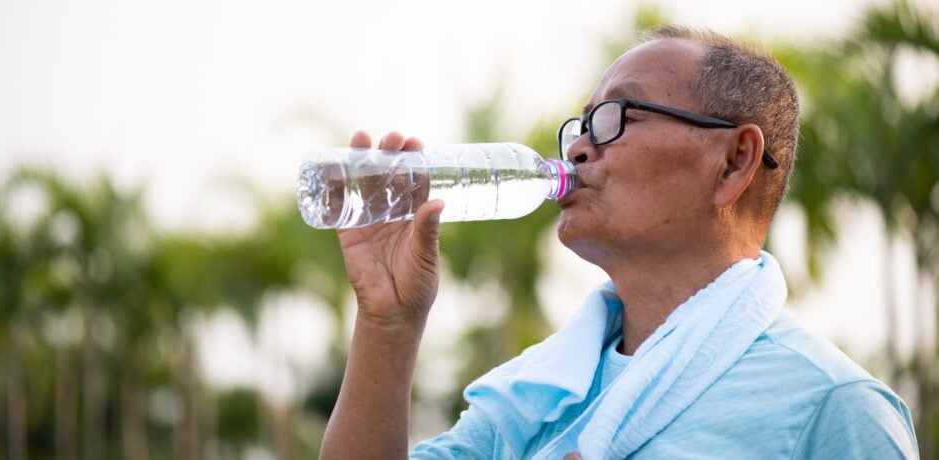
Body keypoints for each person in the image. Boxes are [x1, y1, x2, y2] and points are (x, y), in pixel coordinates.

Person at [318, 26, 919, 459]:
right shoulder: (534, 403)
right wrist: (388, 324)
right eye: (583, 123)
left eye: (618, 115)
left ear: (736, 161)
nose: (578, 148)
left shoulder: (834, 408)